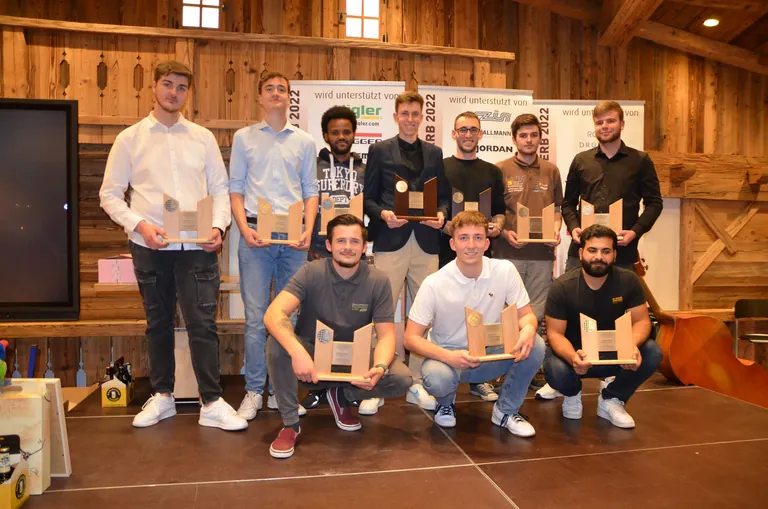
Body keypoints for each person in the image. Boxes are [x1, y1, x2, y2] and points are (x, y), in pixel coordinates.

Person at [100, 60, 246, 431]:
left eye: (181, 88)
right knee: (158, 323)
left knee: (202, 324)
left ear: (187, 93)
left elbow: (219, 189)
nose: (173, 93)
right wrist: (141, 225)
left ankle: (211, 401)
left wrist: (217, 226)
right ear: (153, 86)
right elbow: (110, 195)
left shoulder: (202, 137)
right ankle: (162, 396)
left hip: (197, 247)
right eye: (167, 85)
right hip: (149, 246)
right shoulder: (129, 138)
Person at [538, 100, 663, 401]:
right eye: (599, 122)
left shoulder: (640, 160)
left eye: (610, 121)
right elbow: (568, 204)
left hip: (620, 250)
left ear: (621, 124)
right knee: (570, 308)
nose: (605, 127)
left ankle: (611, 378)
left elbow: (655, 202)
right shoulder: (581, 160)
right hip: (584, 248)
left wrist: (635, 231)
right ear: (594, 127)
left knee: (617, 311)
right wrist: (574, 228)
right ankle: (565, 375)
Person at [264, 214, 412, 458]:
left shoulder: (378, 280)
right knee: (277, 344)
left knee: (401, 378)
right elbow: (273, 314)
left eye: (355, 242)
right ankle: (291, 424)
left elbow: (386, 337)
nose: (348, 247)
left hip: (353, 359)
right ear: (330, 246)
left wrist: (380, 367)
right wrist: (298, 352)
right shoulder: (310, 272)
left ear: (364, 248)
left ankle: (341, 395)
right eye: (341, 241)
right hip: (310, 361)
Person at [403, 211, 545, 437]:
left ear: (487, 243)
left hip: (492, 355)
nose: (471, 245)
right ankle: (445, 403)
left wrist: (528, 328)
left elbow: (526, 315)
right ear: (452, 243)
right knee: (438, 379)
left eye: (478, 238)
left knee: (535, 344)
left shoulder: (505, 270)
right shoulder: (434, 283)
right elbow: (410, 338)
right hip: (449, 359)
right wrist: (449, 357)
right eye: (464, 238)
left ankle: (505, 411)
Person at [230, 72, 318, 420]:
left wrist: (308, 231)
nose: (277, 94)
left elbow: (311, 191)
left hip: (293, 239)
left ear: (289, 98)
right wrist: (242, 229)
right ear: (260, 98)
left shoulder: (304, 142)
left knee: (287, 320)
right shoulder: (244, 138)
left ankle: (282, 393)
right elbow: (235, 188)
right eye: (271, 89)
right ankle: (254, 391)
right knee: (255, 320)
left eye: (282, 89)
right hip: (255, 237)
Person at [363, 91, 451, 410]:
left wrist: (441, 215)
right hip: (391, 240)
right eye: (405, 113)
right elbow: (369, 198)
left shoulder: (435, 152)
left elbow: (443, 196)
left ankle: (415, 382)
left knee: (423, 316)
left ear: (421, 116)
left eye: (416, 113)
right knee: (383, 313)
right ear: (396, 115)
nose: (410, 119)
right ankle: (377, 384)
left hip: (427, 243)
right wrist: (384, 215)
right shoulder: (379, 150)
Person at [543, 224, 662, 428]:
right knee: (554, 369)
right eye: (592, 250)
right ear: (581, 253)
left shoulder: (629, 280)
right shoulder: (562, 287)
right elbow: (554, 334)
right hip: (576, 356)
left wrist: (631, 345)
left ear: (615, 255)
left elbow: (642, 321)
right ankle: (572, 394)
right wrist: (572, 357)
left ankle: (612, 398)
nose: (599, 256)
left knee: (652, 352)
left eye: (606, 251)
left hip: (613, 353)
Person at [304, 105, 367, 413]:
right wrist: (310, 244)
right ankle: (319, 385)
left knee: (350, 321)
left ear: (354, 134)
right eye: (335, 132)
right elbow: (303, 202)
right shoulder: (312, 165)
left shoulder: (365, 167)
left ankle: (347, 384)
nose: (342, 137)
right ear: (326, 135)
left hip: (353, 255)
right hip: (318, 251)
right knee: (319, 321)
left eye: (347, 131)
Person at [441, 111, 506, 402]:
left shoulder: (492, 171)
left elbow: (502, 211)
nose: (468, 134)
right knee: (450, 317)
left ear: (480, 135)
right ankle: (447, 376)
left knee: (479, 315)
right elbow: (436, 209)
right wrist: (446, 228)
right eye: (462, 129)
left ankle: (478, 379)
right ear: (454, 134)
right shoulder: (440, 167)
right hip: (447, 251)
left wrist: (497, 228)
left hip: (481, 254)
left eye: (473, 130)